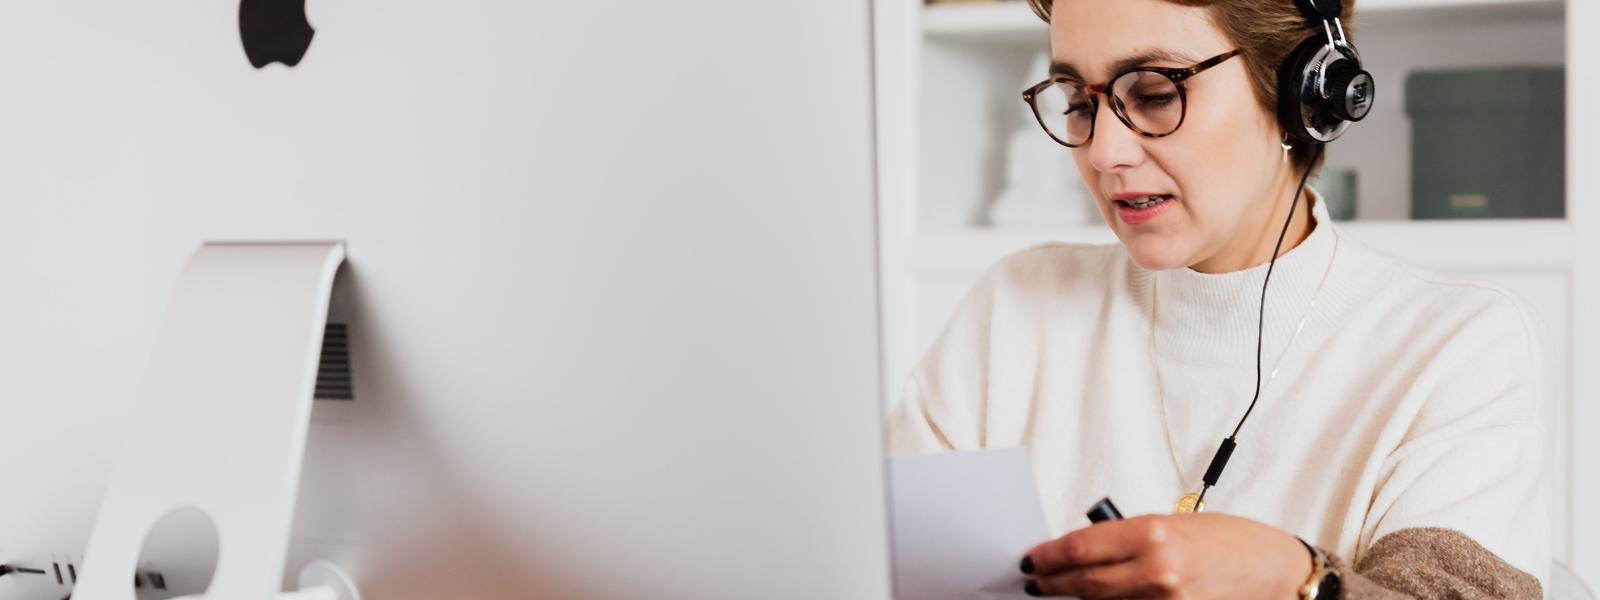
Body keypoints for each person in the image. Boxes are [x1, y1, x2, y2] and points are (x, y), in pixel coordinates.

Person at [885, 0, 1550, 598]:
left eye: (1152, 92)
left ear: (1301, 93)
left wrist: (1295, 577)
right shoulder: (1014, 308)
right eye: (1079, 103)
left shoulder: (1452, 345)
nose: (1105, 152)